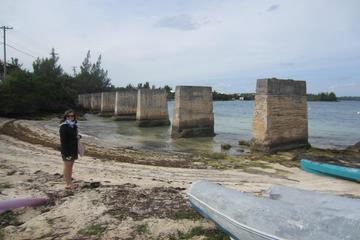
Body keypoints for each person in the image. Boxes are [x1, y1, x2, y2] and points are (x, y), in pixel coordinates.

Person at [59, 109, 81, 189]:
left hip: (73, 149)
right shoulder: (63, 126)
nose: (70, 117)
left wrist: (79, 136)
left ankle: (69, 181)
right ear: (65, 117)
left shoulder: (74, 125)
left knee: (70, 166)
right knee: (67, 166)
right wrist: (66, 152)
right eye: (68, 116)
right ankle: (68, 184)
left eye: (72, 116)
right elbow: (63, 141)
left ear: (74, 117)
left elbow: (76, 136)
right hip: (67, 150)